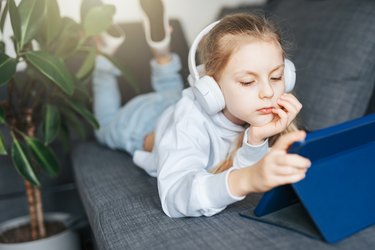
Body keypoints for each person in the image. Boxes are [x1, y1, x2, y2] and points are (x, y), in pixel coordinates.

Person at [93, 0, 311, 218]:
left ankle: (161, 51)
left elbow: (235, 164)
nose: (268, 92)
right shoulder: (190, 122)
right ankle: (104, 54)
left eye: (276, 76)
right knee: (102, 124)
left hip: (173, 101)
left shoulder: (253, 110)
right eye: (247, 81)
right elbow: (175, 197)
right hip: (141, 122)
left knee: (171, 90)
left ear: (288, 75)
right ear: (210, 87)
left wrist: (256, 141)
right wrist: (248, 178)